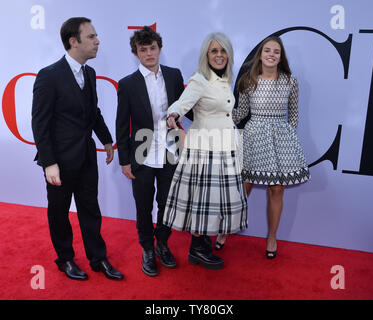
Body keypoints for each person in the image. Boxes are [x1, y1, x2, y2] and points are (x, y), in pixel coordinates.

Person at [31, 17, 123, 280]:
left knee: (90, 208)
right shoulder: (49, 76)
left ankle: (98, 258)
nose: (97, 41)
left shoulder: (90, 73)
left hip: (85, 156)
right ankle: (65, 259)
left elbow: (92, 112)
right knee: (59, 212)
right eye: (91, 37)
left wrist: (106, 139)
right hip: (58, 160)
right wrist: (49, 162)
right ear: (74, 41)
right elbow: (40, 122)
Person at [164, 32, 248, 270]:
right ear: (206, 55)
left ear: (228, 54)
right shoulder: (200, 79)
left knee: (213, 200)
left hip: (224, 146)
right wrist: (173, 114)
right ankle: (198, 248)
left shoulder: (224, 80)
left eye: (223, 51)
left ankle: (198, 248)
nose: (219, 55)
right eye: (214, 51)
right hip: (205, 148)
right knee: (202, 199)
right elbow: (184, 102)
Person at [116, 26, 190, 277]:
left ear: (160, 49)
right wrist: (124, 161)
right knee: (143, 206)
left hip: (170, 151)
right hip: (142, 154)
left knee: (167, 204)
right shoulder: (127, 84)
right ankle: (147, 249)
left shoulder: (173, 75)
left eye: (152, 48)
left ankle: (162, 244)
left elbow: (184, 108)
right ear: (136, 53)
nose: (148, 54)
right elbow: (121, 123)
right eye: (143, 50)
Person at [232, 36, 310, 259]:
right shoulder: (249, 81)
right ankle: (224, 231)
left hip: (280, 139)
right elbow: (240, 114)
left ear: (281, 56)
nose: (271, 54)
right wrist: (217, 111)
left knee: (277, 190)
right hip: (254, 136)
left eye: (276, 51)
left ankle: (272, 237)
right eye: (267, 50)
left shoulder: (290, 81)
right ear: (261, 54)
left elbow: (294, 114)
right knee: (243, 187)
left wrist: (288, 138)